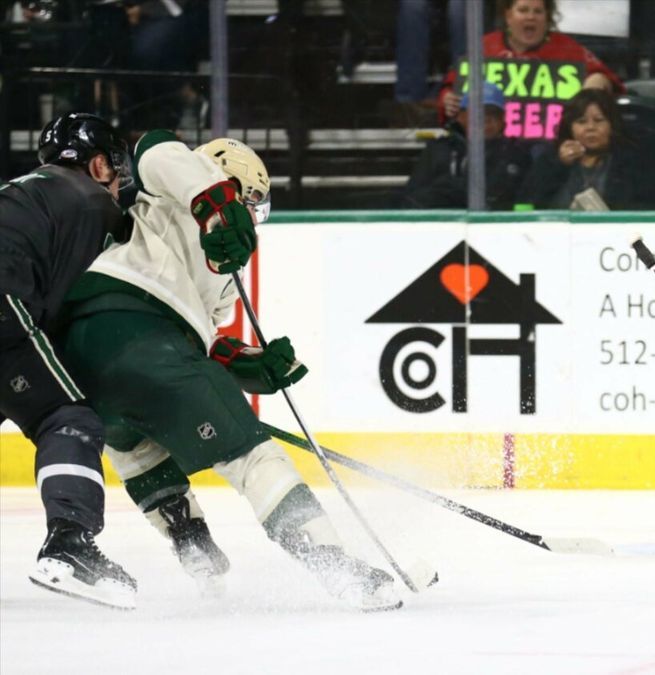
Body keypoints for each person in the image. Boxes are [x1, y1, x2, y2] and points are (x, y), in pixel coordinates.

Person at [57, 133, 405, 610]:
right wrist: (218, 205)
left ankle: (191, 542)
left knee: (136, 446)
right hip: (139, 330)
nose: (252, 216)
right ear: (230, 179)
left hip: (85, 356)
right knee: (252, 456)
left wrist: (249, 364)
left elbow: (198, 339)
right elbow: (156, 150)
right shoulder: (174, 187)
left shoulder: (219, 270)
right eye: (251, 201)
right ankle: (335, 563)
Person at [0, 112, 136, 609]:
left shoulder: (27, 190)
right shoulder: (92, 201)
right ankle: (70, 546)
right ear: (98, 164)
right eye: (115, 167)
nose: (119, 180)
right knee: (65, 416)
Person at [437, 0, 624, 139]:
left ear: (547, 18)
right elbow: (451, 87)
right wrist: (447, 99)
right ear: (508, 16)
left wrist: (600, 79)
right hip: (491, 146)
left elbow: (610, 80)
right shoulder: (484, 46)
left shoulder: (567, 48)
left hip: (550, 149)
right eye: (523, 10)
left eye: (538, 11)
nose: (530, 17)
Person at [519, 89, 655, 210]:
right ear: (569, 127)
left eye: (599, 120)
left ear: (612, 125)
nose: (590, 128)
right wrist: (558, 165)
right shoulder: (550, 159)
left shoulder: (634, 161)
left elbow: (647, 208)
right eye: (581, 122)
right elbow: (526, 204)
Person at [399, 81, 531, 210]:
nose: (486, 121)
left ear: (503, 120)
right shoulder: (438, 149)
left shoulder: (517, 155)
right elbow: (411, 201)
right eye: (478, 114)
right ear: (461, 117)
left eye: (494, 114)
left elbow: (523, 204)